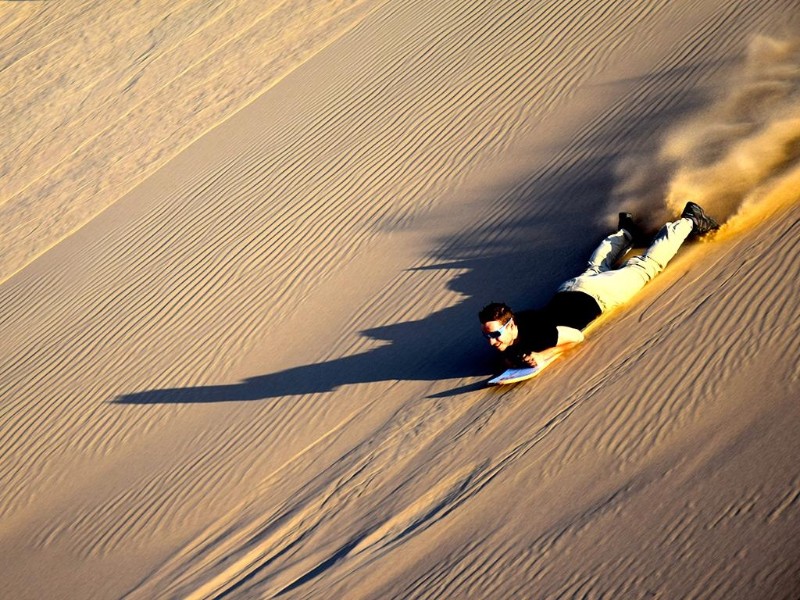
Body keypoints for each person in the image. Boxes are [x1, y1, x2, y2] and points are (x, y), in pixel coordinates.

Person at [479, 202, 719, 369]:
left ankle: (690, 220)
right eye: (487, 335)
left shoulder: (539, 333)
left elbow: (575, 337)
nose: (491, 341)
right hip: (572, 288)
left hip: (599, 295)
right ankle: (625, 233)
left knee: (647, 266)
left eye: (495, 334)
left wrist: (543, 356)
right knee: (596, 266)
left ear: (510, 325)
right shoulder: (516, 325)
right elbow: (510, 351)